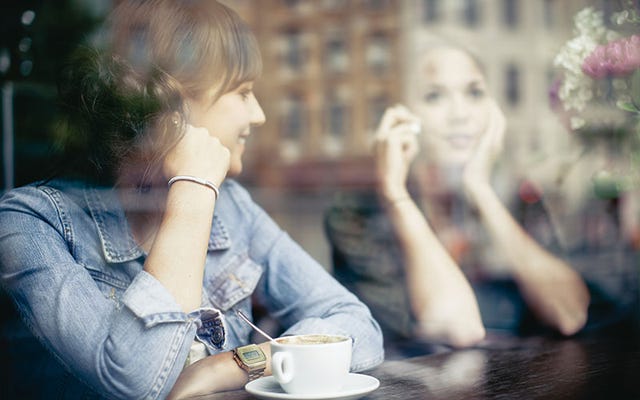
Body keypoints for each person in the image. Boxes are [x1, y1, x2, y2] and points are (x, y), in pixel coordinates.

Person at [0, 1, 383, 399]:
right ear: (172, 105)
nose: (259, 115)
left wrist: (232, 365)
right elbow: (135, 381)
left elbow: (358, 326)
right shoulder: (31, 224)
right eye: (243, 93)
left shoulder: (233, 208)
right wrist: (194, 186)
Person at [325, 38, 598, 357]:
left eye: (474, 93)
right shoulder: (358, 212)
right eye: (435, 96)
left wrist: (480, 188)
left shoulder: (515, 198)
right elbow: (456, 325)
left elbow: (569, 315)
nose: (460, 114)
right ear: (400, 114)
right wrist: (394, 193)